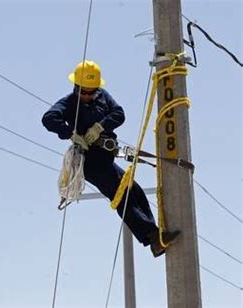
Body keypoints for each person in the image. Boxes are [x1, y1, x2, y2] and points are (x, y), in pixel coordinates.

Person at [41, 60, 180, 257]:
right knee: (122, 196)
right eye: (85, 92)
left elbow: (119, 114)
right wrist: (71, 133)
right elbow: (49, 118)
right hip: (90, 160)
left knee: (134, 190)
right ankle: (151, 236)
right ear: (76, 88)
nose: (89, 96)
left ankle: (155, 238)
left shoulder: (102, 97)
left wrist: (100, 126)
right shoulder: (69, 103)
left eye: (92, 91)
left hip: (106, 157)